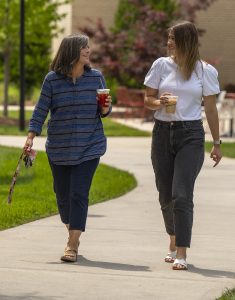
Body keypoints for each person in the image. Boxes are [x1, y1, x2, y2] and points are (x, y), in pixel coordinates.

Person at [24, 34, 112, 262]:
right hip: (59, 147)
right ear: (72, 50)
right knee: (62, 197)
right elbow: (41, 109)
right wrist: (31, 136)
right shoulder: (52, 80)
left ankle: (71, 246)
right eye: (84, 47)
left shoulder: (96, 78)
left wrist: (106, 108)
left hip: (89, 146)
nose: (88, 50)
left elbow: (103, 111)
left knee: (78, 194)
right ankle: (74, 233)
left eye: (88, 47)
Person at [144, 21, 222, 270]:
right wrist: (159, 102)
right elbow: (147, 99)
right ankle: (173, 238)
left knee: (181, 194)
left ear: (185, 41)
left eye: (172, 39)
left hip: (190, 135)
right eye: (168, 38)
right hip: (162, 134)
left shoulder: (204, 71)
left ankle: (181, 252)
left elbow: (210, 108)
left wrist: (217, 142)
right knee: (165, 195)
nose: (168, 43)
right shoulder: (160, 65)